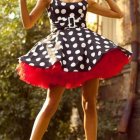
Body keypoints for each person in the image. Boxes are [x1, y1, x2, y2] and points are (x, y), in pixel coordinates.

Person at [16, 0, 132, 139]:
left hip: (86, 49)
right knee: (51, 104)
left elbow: (118, 14)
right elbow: (28, 23)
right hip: (61, 51)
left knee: (89, 102)